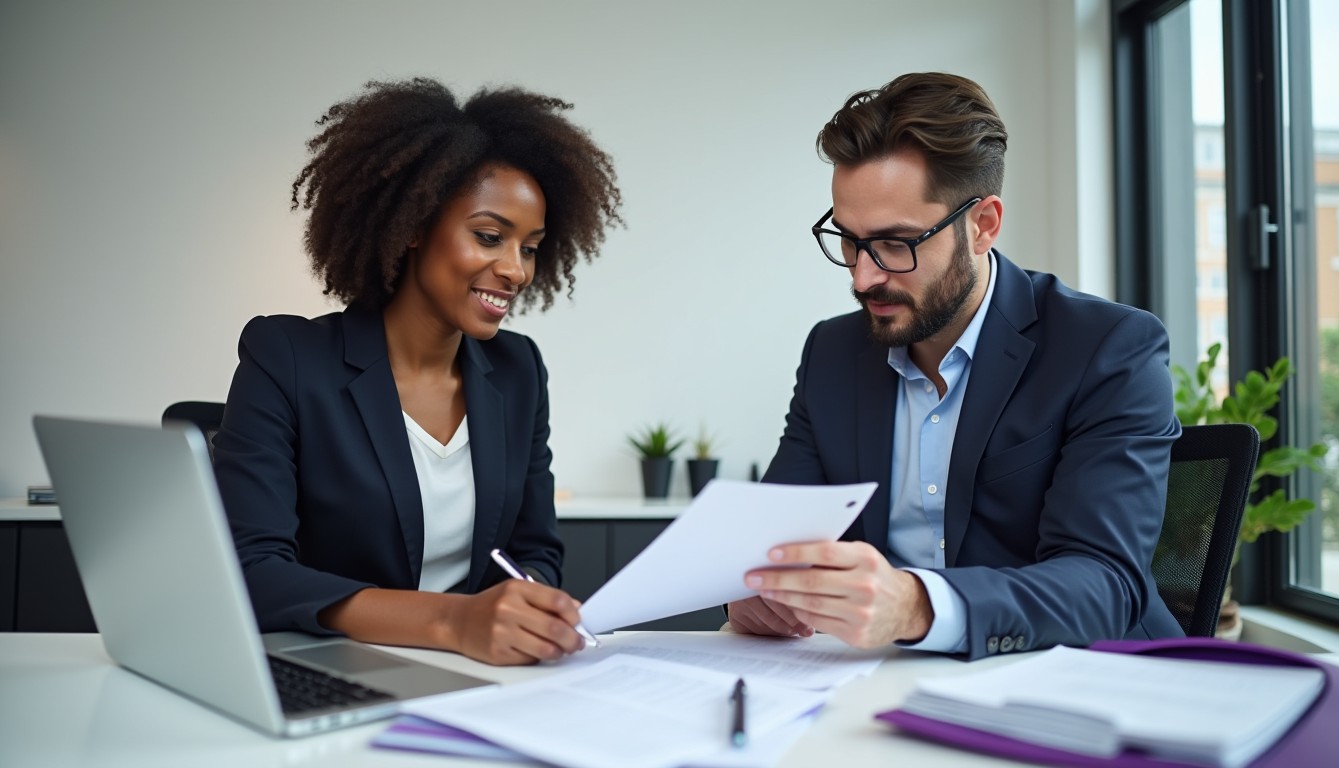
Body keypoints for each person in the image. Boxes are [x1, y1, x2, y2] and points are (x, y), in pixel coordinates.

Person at [728, 72, 1183, 660]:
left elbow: (1103, 585)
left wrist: (917, 605)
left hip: (1084, 682)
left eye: (896, 244)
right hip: (887, 685)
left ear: (983, 225)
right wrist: (750, 589)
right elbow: (774, 544)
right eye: (849, 240)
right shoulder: (833, 354)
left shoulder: (1108, 347)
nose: (863, 277)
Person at [212, 78, 622, 665]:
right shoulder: (288, 356)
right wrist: (454, 622)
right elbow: (252, 571)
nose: (515, 270)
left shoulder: (518, 370)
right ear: (410, 227)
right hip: (329, 668)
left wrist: (527, 610)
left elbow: (535, 550)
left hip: (478, 677)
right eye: (489, 236)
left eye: (529, 247)